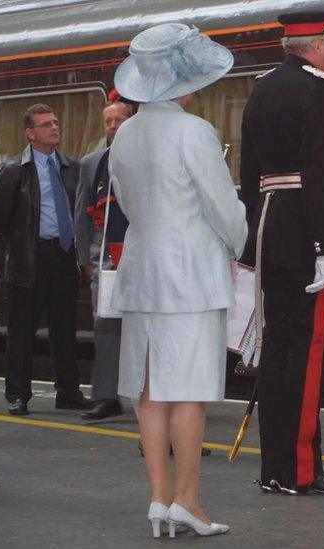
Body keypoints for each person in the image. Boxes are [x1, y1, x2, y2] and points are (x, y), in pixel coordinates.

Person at [110, 23, 246, 537]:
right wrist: (239, 237)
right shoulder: (194, 132)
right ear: (182, 83)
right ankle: (188, 501)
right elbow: (220, 207)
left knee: (151, 393)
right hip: (189, 277)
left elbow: (125, 202)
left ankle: (158, 499)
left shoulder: (125, 132)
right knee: (187, 391)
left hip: (142, 274)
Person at [239, 9, 324, 495]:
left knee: (278, 355)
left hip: (271, 233)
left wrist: (254, 240)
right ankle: (299, 470)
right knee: (307, 357)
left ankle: (274, 467)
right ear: (317, 43)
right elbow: (322, 177)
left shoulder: (262, 89)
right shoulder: (318, 91)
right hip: (309, 237)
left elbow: (249, 178)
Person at [0, 103, 93, 416]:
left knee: (64, 328)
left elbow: (79, 210)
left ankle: (69, 392)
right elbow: (0, 219)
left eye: (55, 122)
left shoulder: (71, 167)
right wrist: (20, 247)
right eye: (46, 124)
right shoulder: (13, 171)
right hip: (30, 257)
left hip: (64, 256)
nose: (54, 128)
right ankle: (17, 394)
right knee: (22, 330)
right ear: (30, 133)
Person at [73, 97, 132, 420]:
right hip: (105, 261)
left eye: (118, 120)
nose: (111, 127)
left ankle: (149, 399)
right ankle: (106, 397)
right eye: (107, 121)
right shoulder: (93, 162)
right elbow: (81, 214)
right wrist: (86, 259)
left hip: (140, 257)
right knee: (106, 328)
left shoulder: (143, 158)